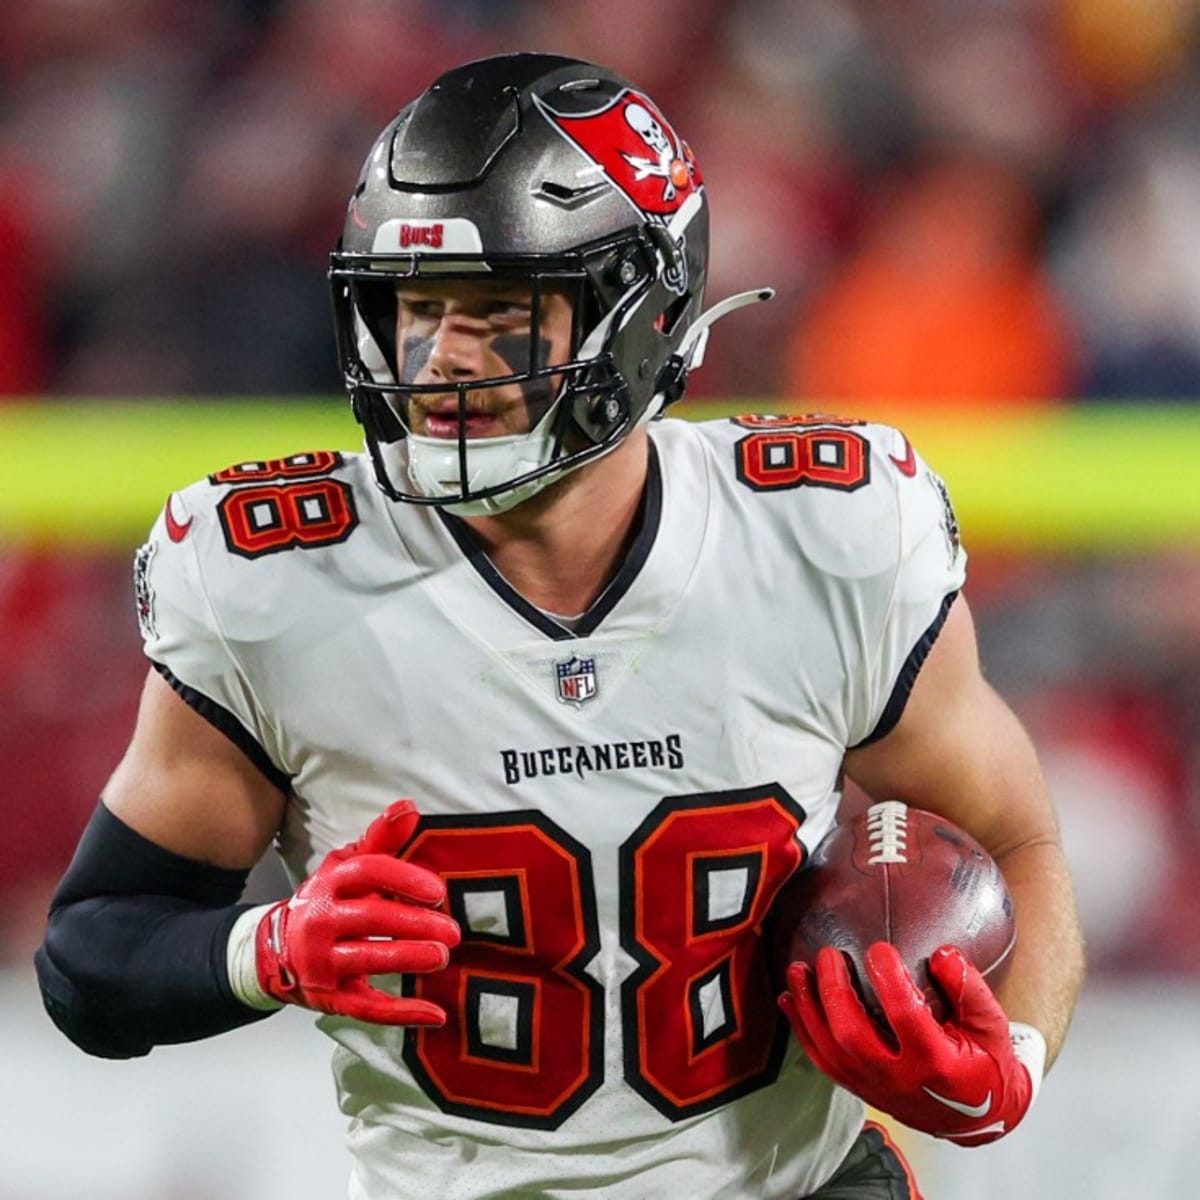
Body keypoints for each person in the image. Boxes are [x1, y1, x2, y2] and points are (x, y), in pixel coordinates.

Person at [34, 53, 1084, 1199]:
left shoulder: (823, 533)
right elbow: (94, 959)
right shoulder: (273, 580)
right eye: (416, 309)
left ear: (647, 317)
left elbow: (1018, 841)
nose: (443, 361)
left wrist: (1011, 1062)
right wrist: (266, 950)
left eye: (501, 312)